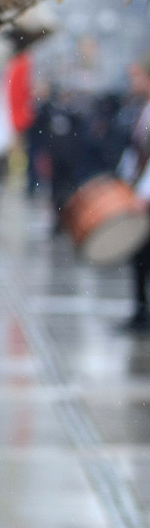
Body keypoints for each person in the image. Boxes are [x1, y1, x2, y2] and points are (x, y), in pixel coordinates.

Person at [118, 57, 150, 330]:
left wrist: (143, 193)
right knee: (139, 256)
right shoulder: (143, 108)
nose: (134, 82)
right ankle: (140, 310)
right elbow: (137, 151)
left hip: (147, 198)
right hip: (141, 192)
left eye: (138, 76)